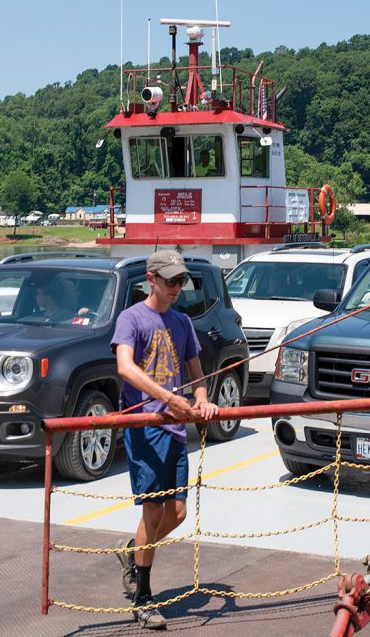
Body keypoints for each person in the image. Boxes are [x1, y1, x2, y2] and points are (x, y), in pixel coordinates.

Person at [110, 250, 219, 630]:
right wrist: (169, 398)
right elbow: (125, 367)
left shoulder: (183, 323)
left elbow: (197, 374)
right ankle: (143, 598)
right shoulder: (131, 319)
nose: (177, 288)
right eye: (171, 280)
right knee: (153, 513)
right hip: (145, 428)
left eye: (181, 281)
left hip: (176, 431)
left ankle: (133, 551)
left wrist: (202, 400)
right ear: (151, 278)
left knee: (177, 513)